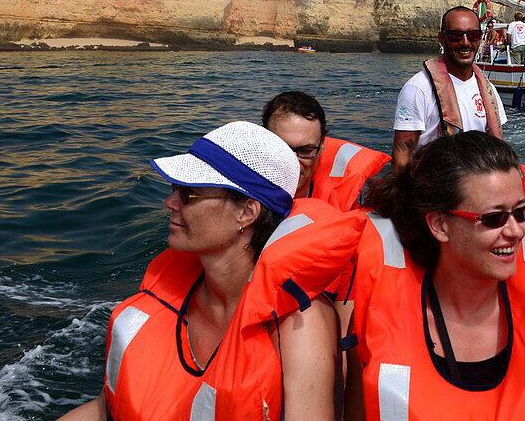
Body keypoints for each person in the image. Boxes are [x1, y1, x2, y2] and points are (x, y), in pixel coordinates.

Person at [59, 121, 364, 421]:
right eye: (174, 189)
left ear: (246, 212)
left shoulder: (299, 325)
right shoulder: (169, 291)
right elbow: (107, 408)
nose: (169, 202)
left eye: (188, 193)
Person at [347, 132, 525, 420]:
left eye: (521, 212)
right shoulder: (377, 317)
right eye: (493, 218)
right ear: (440, 225)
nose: (516, 231)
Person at [392, 6, 506, 176]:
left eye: (473, 35)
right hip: (436, 189)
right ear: (442, 39)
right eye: (455, 36)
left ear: (480, 38)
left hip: (478, 187)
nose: (465, 43)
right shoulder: (417, 89)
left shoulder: (488, 90)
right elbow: (401, 156)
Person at [262, 90, 389, 208]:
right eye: (282, 148)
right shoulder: (244, 201)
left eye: (306, 150)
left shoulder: (354, 206)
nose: (293, 162)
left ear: (322, 144)